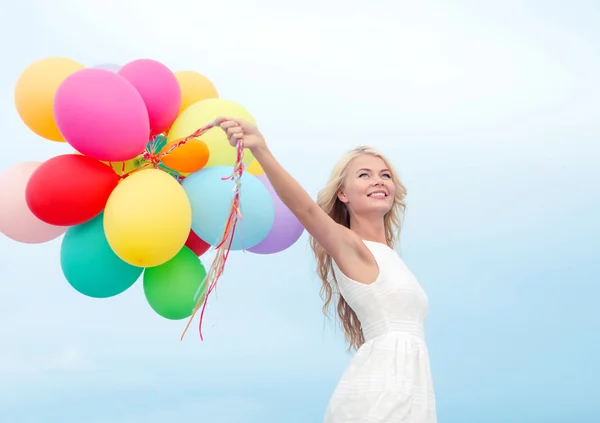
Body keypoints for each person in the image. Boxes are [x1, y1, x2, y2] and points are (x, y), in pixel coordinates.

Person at [215, 117, 437, 422]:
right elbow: (305, 210)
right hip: (382, 393)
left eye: (385, 175)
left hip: (407, 389)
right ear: (343, 194)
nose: (378, 180)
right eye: (364, 175)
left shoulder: (390, 259)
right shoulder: (351, 245)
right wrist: (261, 149)